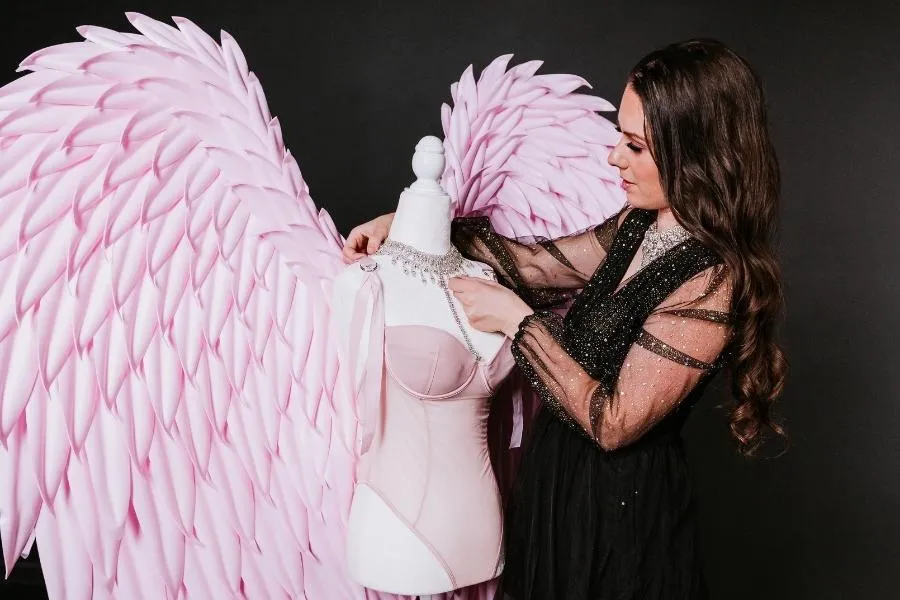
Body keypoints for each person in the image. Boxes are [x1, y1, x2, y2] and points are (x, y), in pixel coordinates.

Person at [342, 38, 787, 600]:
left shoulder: (713, 279)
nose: (614, 157)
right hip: (558, 487)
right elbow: (532, 264)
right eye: (620, 137)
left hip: (624, 518)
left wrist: (519, 323)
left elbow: (614, 420)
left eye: (636, 146)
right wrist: (409, 225)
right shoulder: (638, 225)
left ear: (693, 154)